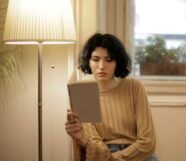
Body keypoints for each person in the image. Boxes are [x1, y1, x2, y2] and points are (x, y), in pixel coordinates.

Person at [65, 33, 157, 161]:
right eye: (96, 59)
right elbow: (94, 143)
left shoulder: (133, 87)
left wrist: (115, 159)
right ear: (88, 61)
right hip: (104, 154)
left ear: (117, 62)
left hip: (137, 155)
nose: (102, 66)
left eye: (109, 60)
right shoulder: (83, 91)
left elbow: (147, 141)